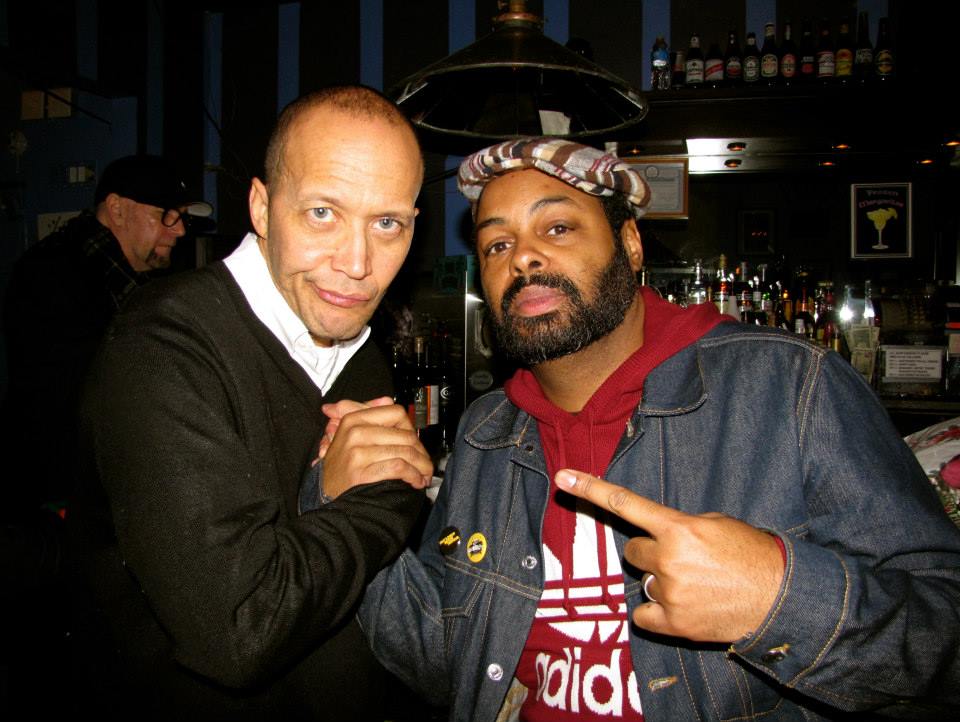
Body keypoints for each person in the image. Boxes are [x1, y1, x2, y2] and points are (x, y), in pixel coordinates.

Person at [355, 138, 960, 721]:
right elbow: (445, 667)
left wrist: (779, 602)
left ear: (630, 244)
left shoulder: (792, 385)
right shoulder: (485, 432)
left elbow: (945, 644)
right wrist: (351, 509)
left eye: (557, 227)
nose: (523, 258)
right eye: (497, 244)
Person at [68, 85, 433, 720]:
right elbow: (241, 628)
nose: (357, 263)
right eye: (323, 212)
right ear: (262, 208)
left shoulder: (357, 344)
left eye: (387, 224)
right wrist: (389, 494)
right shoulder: (163, 346)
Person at [0, 154, 210, 717]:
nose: (179, 230)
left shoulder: (124, 282)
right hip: (54, 508)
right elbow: (70, 404)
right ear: (116, 210)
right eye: (166, 216)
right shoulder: (53, 276)